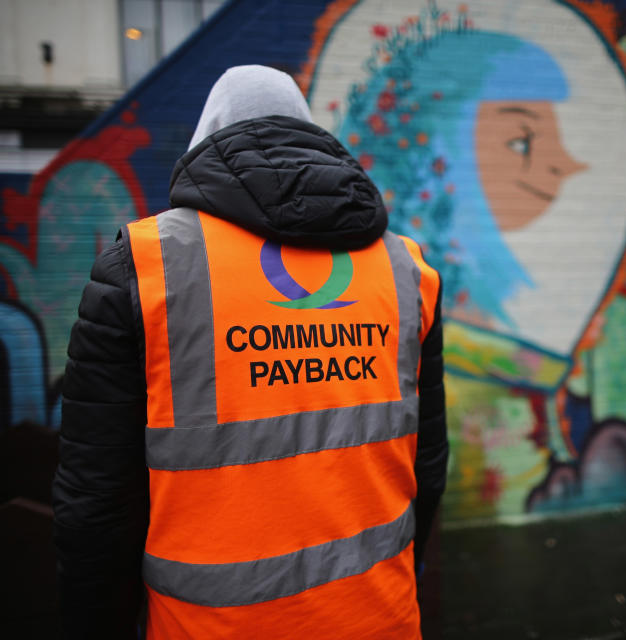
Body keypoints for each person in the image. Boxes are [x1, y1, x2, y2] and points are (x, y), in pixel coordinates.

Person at [52, 65, 447, 639]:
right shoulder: (406, 269)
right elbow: (427, 466)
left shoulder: (145, 267)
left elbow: (96, 503)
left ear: (206, 139)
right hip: (378, 618)